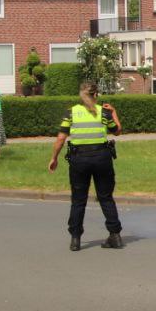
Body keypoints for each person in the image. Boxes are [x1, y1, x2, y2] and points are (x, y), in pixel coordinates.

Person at [47, 81, 124, 251]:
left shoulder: (71, 113)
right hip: (102, 158)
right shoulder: (103, 112)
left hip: (79, 159)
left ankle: (75, 239)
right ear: (96, 95)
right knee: (105, 197)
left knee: (78, 200)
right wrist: (114, 112)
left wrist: (54, 158)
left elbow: (60, 138)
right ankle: (115, 235)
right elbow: (117, 131)